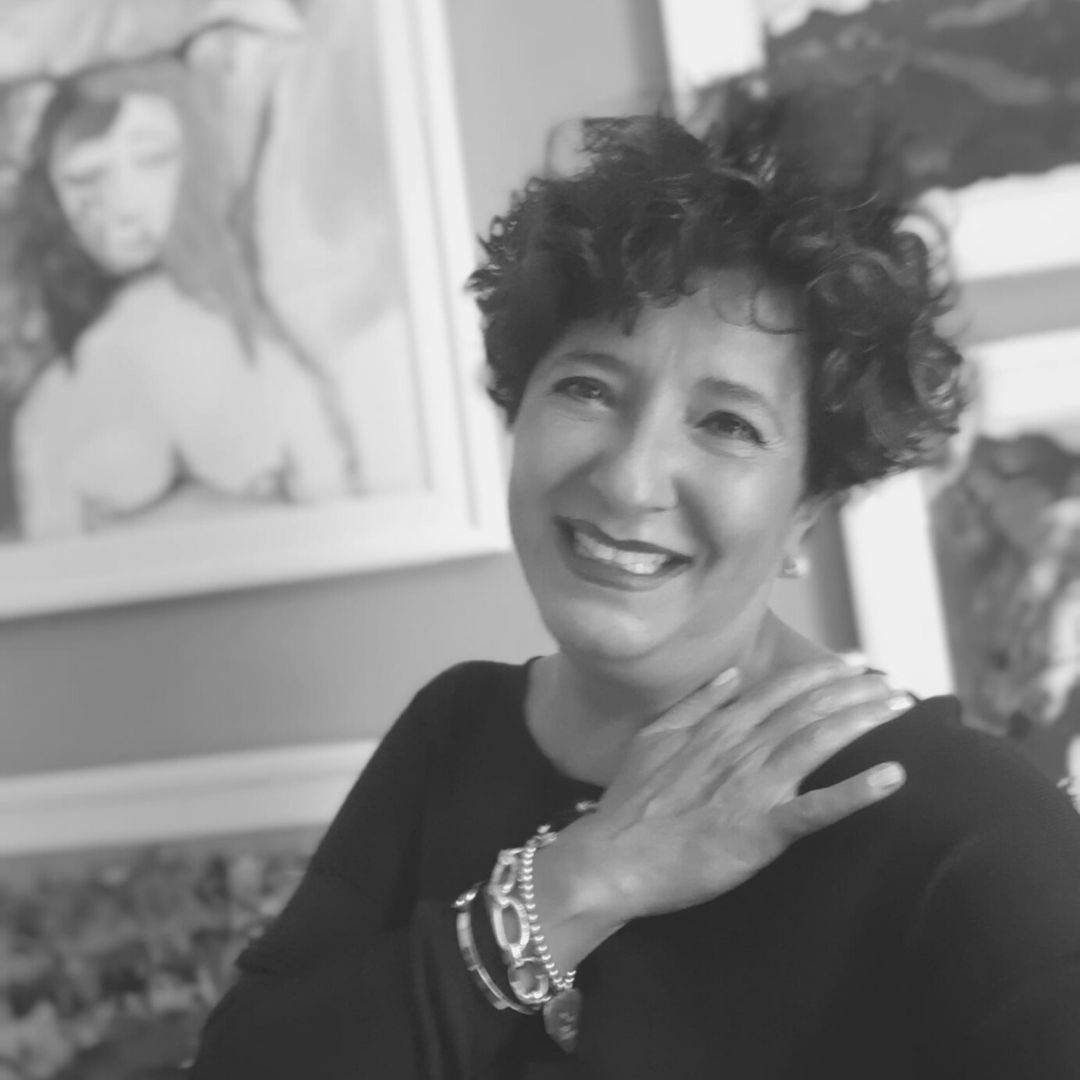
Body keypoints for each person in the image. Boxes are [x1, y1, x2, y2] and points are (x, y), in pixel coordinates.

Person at [189, 96, 1080, 1078]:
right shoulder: (455, 732)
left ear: (806, 512)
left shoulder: (967, 825)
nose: (627, 478)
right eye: (588, 387)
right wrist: (583, 880)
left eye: (729, 424)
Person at [12, 57, 355, 539]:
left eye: (152, 157)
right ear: (53, 199)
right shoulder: (52, 409)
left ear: (196, 162)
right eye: (85, 177)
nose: (123, 203)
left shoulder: (270, 363)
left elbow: (346, 523)